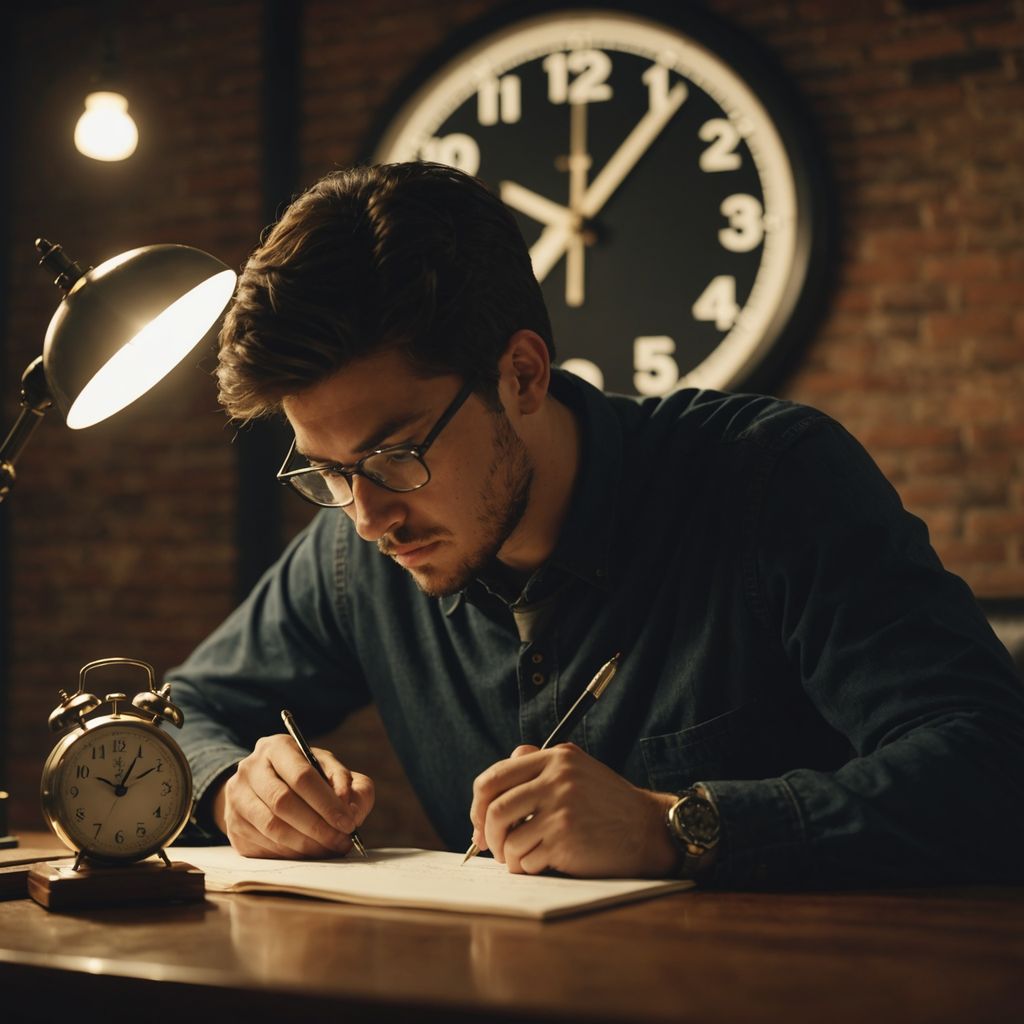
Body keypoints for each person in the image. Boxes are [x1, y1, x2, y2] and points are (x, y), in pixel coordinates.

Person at [169, 161, 1024, 886]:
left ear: (523, 374)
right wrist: (228, 789)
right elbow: (184, 709)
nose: (368, 516)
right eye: (326, 471)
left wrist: (679, 826)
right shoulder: (356, 557)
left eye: (395, 455)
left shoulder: (771, 481)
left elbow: (990, 764)